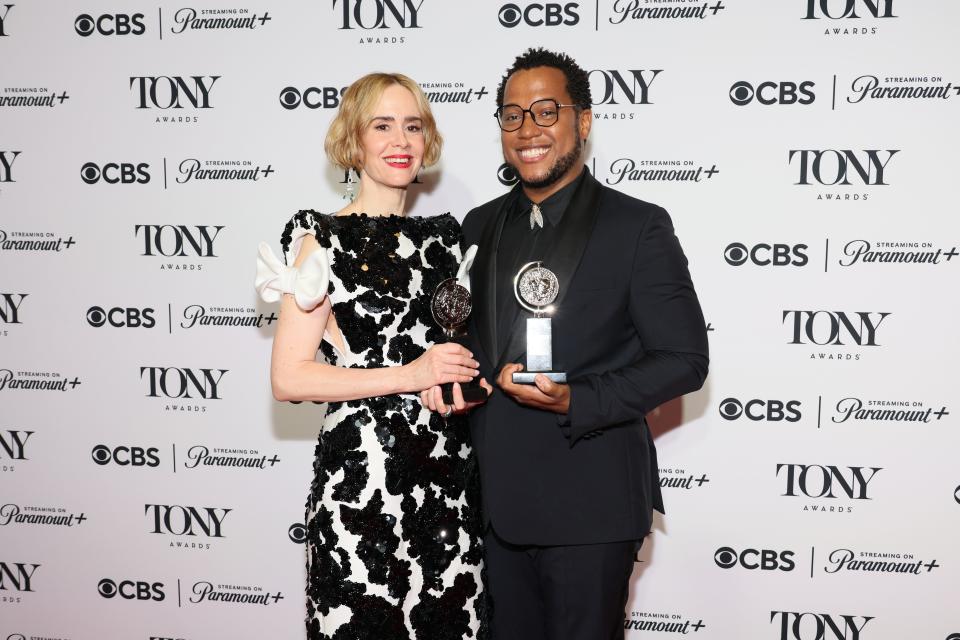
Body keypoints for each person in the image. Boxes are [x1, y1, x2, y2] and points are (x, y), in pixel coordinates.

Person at [422, 49, 709, 639]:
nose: (528, 129)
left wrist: (576, 398)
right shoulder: (475, 226)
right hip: (493, 504)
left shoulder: (638, 226)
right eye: (512, 114)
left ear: (584, 121)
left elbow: (684, 360)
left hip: (592, 503)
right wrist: (460, 384)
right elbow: (473, 345)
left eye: (546, 111)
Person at [255, 72, 491, 639]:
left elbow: (466, 355)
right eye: (381, 126)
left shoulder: (447, 239)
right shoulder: (322, 239)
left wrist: (464, 384)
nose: (400, 141)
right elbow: (289, 377)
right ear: (353, 141)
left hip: (448, 486)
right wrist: (414, 373)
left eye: (412, 126)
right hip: (362, 485)